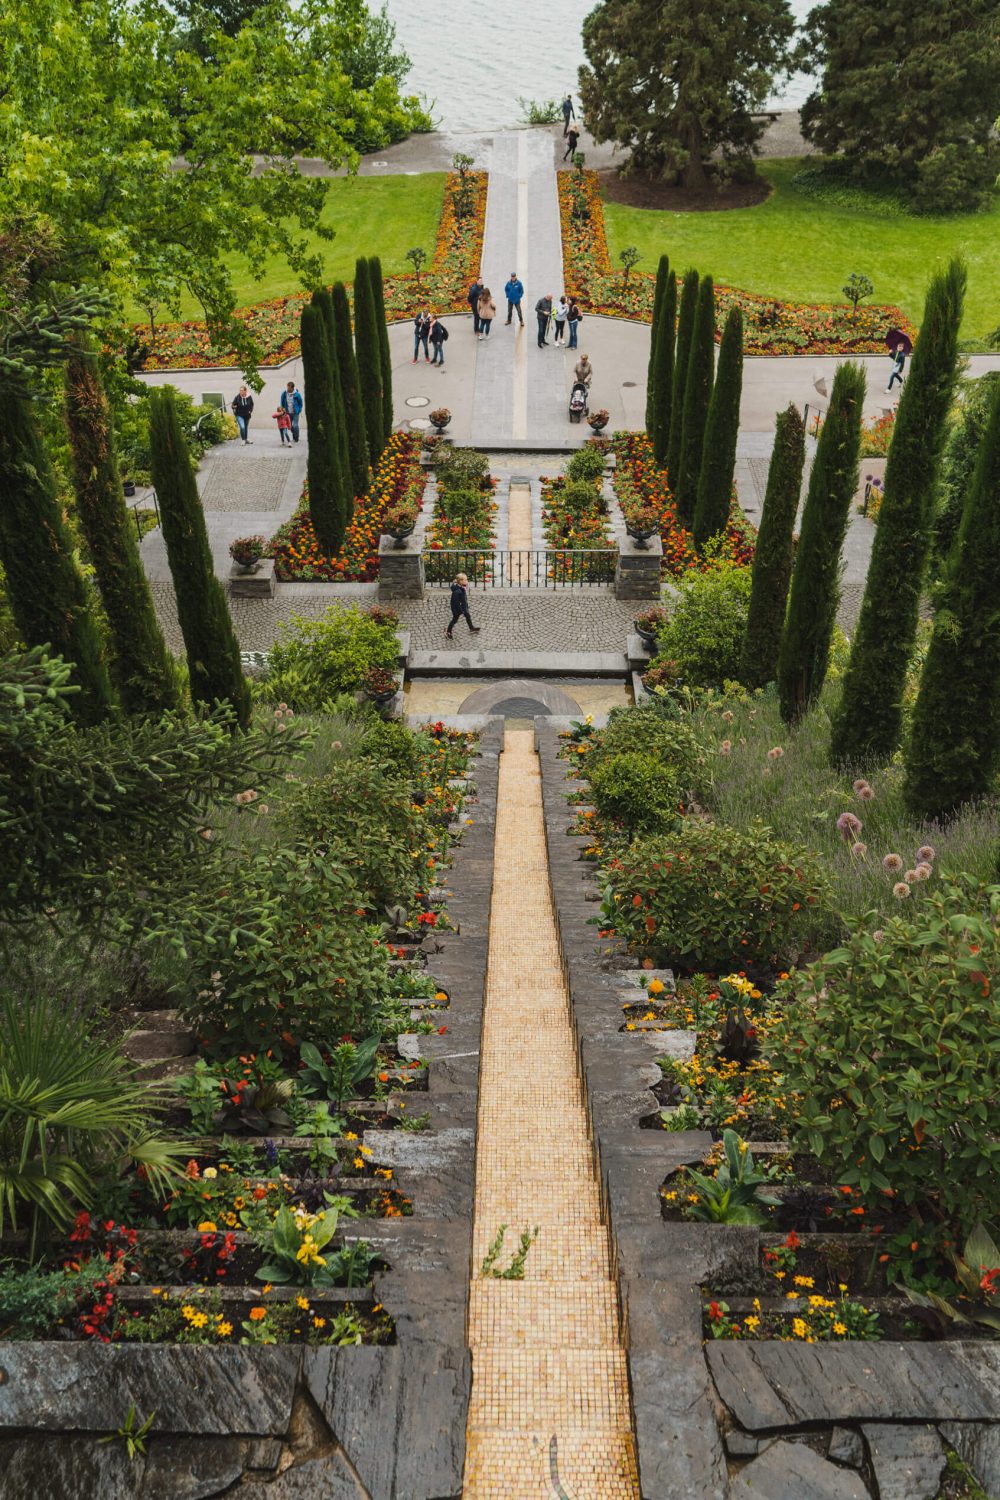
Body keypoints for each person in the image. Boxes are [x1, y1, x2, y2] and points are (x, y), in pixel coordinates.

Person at [446, 572, 480, 639]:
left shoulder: (461, 587)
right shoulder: (457, 591)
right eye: (466, 580)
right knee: (455, 619)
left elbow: (464, 592)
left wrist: (465, 605)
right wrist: (460, 610)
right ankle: (448, 631)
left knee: (468, 615)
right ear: (461, 581)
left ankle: (471, 627)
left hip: (463, 606)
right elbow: (455, 603)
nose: (467, 581)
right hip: (457, 608)